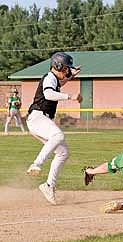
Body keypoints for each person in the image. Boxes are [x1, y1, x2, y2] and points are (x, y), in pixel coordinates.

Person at [26, 51, 82, 205]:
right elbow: (49, 94)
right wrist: (70, 97)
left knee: (63, 153)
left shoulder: (54, 79)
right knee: (58, 136)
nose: (67, 70)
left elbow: (59, 84)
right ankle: (36, 164)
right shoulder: (49, 77)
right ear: (57, 65)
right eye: (65, 68)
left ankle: (49, 185)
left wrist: (72, 76)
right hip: (38, 117)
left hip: (41, 119)